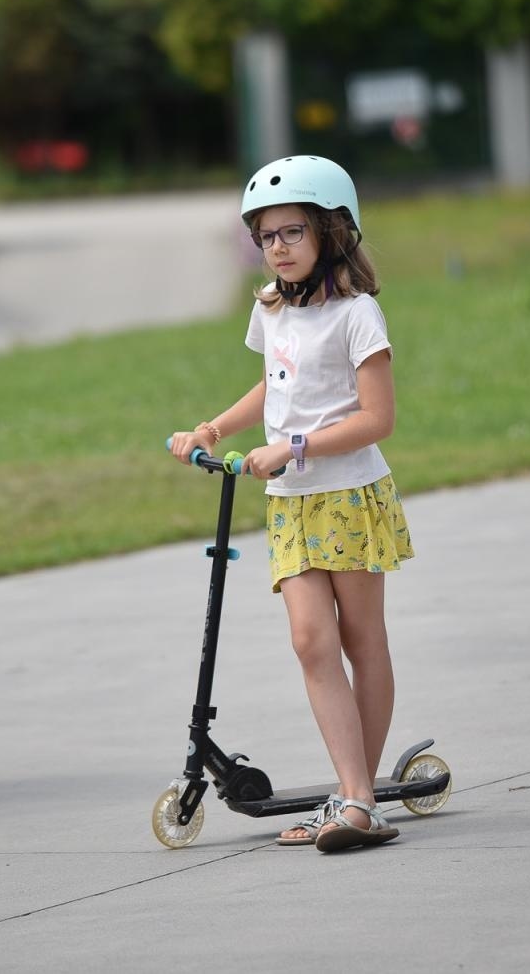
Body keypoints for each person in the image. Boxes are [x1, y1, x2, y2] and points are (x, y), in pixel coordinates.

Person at [169, 155, 415, 852]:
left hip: (347, 495)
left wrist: (295, 447)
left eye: (291, 232)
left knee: (362, 641)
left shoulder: (357, 315)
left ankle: (356, 798)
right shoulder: (271, 306)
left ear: (333, 232)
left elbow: (377, 419)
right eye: (265, 235)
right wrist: (218, 426)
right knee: (312, 641)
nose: (276, 247)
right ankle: (355, 795)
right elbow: (274, 388)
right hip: (290, 502)